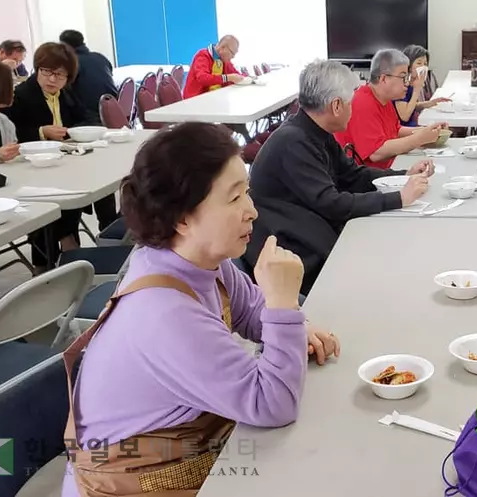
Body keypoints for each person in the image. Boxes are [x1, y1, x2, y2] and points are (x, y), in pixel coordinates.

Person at [61, 122, 341, 496]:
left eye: (248, 192)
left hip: (187, 453)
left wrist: (287, 323)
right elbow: (272, 405)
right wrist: (284, 307)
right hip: (137, 481)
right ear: (182, 219)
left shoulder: (201, 261)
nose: (252, 211)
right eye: (234, 198)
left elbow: (250, 311)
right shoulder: (163, 314)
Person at [248, 60, 435, 294]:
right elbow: (331, 204)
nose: (352, 108)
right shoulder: (293, 142)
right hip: (295, 251)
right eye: (350, 102)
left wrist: (403, 175)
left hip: (311, 229)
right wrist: (399, 198)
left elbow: (352, 175)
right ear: (336, 106)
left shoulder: (315, 131)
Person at [2, 42, 118, 270]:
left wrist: (77, 130)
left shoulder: (65, 94)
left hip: (63, 164)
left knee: (96, 184)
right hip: (30, 170)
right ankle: (50, 258)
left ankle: (104, 237)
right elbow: (9, 132)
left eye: (60, 75)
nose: (52, 79)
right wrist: (41, 131)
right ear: (37, 69)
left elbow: (88, 117)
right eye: (46, 72)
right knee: (62, 196)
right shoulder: (21, 95)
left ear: (68, 78)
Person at [334, 49, 446, 169]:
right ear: (383, 79)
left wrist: (428, 131)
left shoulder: (384, 98)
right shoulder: (362, 102)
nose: (407, 83)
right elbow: (376, 152)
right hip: (366, 179)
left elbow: (396, 130)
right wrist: (419, 138)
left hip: (388, 167)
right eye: (403, 77)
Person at [59, 29, 118, 123]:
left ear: (65, 46)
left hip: (90, 117)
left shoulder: (72, 63)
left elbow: (62, 86)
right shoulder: (100, 57)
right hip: (114, 109)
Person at [394, 45, 450, 126]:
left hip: (412, 127)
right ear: (408, 65)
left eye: (425, 64)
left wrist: (432, 102)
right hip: (402, 130)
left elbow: (410, 105)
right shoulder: (400, 84)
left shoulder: (411, 82)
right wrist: (417, 89)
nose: (423, 67)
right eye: (419, 63)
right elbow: (405, 116)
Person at [183, 35, 244, 99]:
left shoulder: (224, 60)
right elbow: (203, 78)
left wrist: (249, 79)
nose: (233, 57)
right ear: (223, 48)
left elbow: (237, 75)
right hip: (195, 100)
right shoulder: (202, 55)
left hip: (215, 98)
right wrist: (228, 77)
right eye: (232, 53)